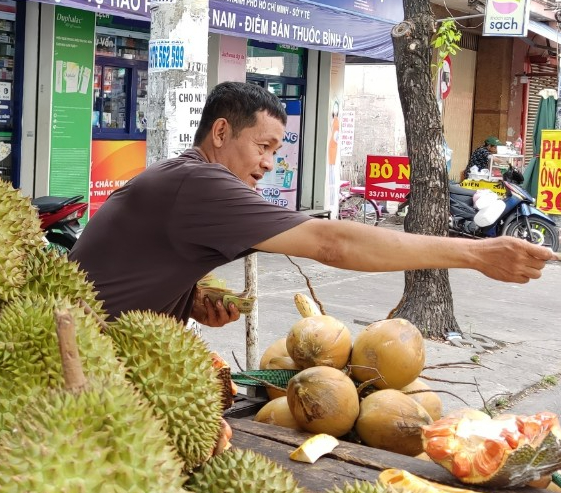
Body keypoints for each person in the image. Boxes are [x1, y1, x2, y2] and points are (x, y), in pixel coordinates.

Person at [68, 82, 555, 327]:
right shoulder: (200, 184)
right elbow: (331, 242)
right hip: (82, 372)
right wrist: (475, 254)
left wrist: (187, 299)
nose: (268, 164)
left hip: (96, 351)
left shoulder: (179, 177)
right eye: (263, 147)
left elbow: (132, 264)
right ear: (220, 132)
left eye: (276, 152)